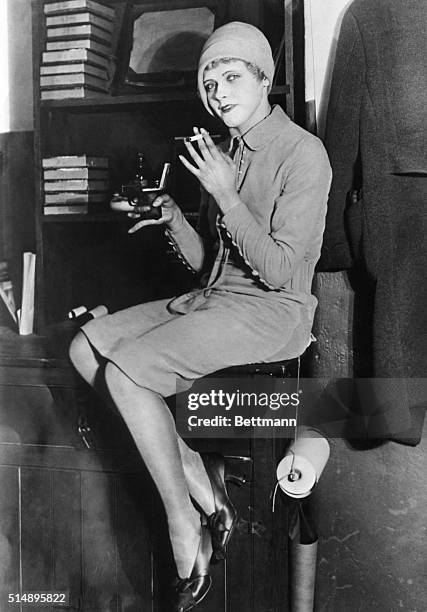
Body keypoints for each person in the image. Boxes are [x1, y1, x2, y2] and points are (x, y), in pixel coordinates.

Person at [69, 21, 332, 611]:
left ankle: (183, 521)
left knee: (126, 372)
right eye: (209, 83)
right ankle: (197, 474)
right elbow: (211, 268)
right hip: (220, 301)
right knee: (85, 349)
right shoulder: (231, 149)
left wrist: (226, 196)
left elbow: (285, 272)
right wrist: (175, 220)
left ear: (264, 78)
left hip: (274, 314)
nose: (218, 92)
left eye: (231, 76)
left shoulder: (302, 153)